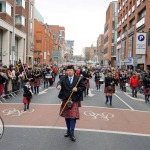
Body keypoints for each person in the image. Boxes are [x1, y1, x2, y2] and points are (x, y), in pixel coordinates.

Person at [56, 65, 85, 142]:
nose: (69, 71)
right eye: (68, 70)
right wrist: (58, 85)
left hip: (74, 100)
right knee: (67, 117)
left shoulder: (78, 78)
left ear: (73, 71)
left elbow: (83, 87)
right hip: (66, 99)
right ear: (66, 71)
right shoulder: (63, 78)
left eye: (71, 70)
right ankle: (68, 130)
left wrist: (77, 89)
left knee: (73, 117)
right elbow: (59, 82)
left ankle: (72, 133)